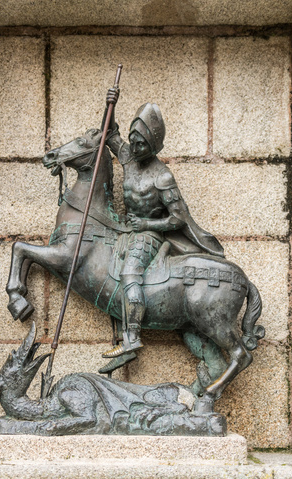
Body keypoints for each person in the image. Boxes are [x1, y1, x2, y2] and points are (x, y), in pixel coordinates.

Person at [101, 88, 224, 358]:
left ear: (154, 144)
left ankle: (131, 337)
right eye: (133, 140)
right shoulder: (128, 158)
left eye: (141, 143)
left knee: (130, 273)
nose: (134, 147)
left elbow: (178, 218)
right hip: (124, 229)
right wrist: (111, 104)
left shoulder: (163, 177)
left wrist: (146, 225)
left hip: (150, 235)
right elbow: (109, 135)